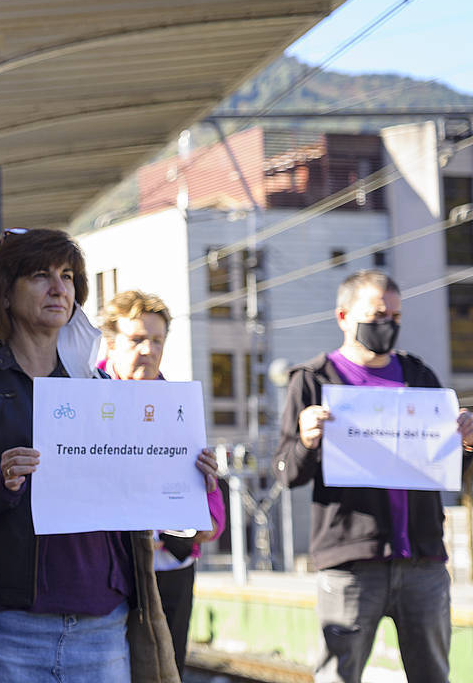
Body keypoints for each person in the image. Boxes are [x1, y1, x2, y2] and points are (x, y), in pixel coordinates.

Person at [0, 228, 216, 683]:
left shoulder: (101, 388)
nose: (59, 288)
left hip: (103, 621)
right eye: (40, 275)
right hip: (8, 622)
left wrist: (188, 481)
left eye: (67, 275)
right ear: (4, 291)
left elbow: (134, 495)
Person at [273, 270, 473, 683]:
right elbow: (286, 473)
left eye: (396, 316)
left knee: (434, 674)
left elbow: (450, 467)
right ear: (344, 316)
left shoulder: (420, 376)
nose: (389, 325)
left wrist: (468, 442)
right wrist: (307, 442)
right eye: (379, 315)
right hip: (349, 565)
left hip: (423, 561)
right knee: (339, 676)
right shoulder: (312, 380)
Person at [99, 289, 226, 677]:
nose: (148, 350)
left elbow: (211, 517)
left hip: (172, 566)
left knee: (168, 670)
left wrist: (207, 488)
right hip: (109, 566)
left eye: (157, 340)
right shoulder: (87, 395)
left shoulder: (178, 405)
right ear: (111, 343)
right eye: (137, 339)